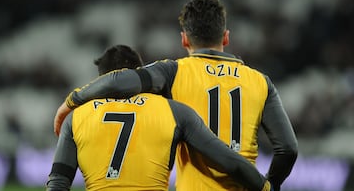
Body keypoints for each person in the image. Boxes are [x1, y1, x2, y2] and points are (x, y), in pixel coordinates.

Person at [54, 0, 298, 191]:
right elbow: (287, 149)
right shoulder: (260, 82)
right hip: (244, 182)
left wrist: (72, 101)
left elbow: (119, 81)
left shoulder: (173, 71)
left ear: (184, 39)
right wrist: (270, 184)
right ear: (225, 37)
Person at [46, 44, 273, 191]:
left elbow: (58, 182)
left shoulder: (76, 119)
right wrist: (264, 187)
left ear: (99, 81)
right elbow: (230, 162)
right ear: (139, 73)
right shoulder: (175, 112)